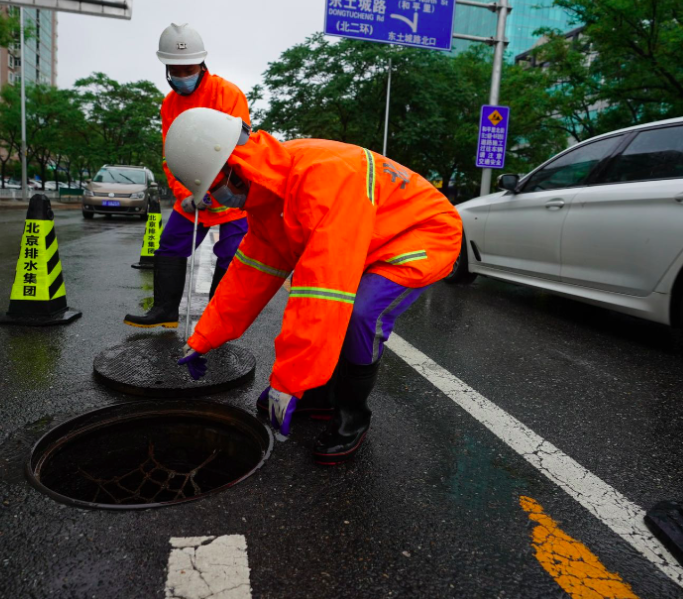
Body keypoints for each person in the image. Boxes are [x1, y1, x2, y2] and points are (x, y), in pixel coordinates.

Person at [167, 108, 462, 464]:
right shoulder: (268, 196)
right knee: (334, 311)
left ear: (235, 166)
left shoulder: (322, 177)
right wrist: (204, 338)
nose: (217, 201)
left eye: (214, 189)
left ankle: (352, 416)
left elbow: (321, 294)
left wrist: (288, 384)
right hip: (373, 234)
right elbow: (249, 276)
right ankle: (321, 396)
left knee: (359, 314)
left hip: (421, 233)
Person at [124, 24, 250, 328]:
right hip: (191, 194)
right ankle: (165, 312)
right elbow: (172, 155)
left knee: (232, 256)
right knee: (169, 246)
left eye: (188, 68)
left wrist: (213, 188)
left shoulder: (227, 94)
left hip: (230, 192)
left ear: (201, 64)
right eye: (175, 69)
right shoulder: (169, 104)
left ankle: (217, 321)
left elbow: (240, 148)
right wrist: (187, 194)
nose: (182, 75)